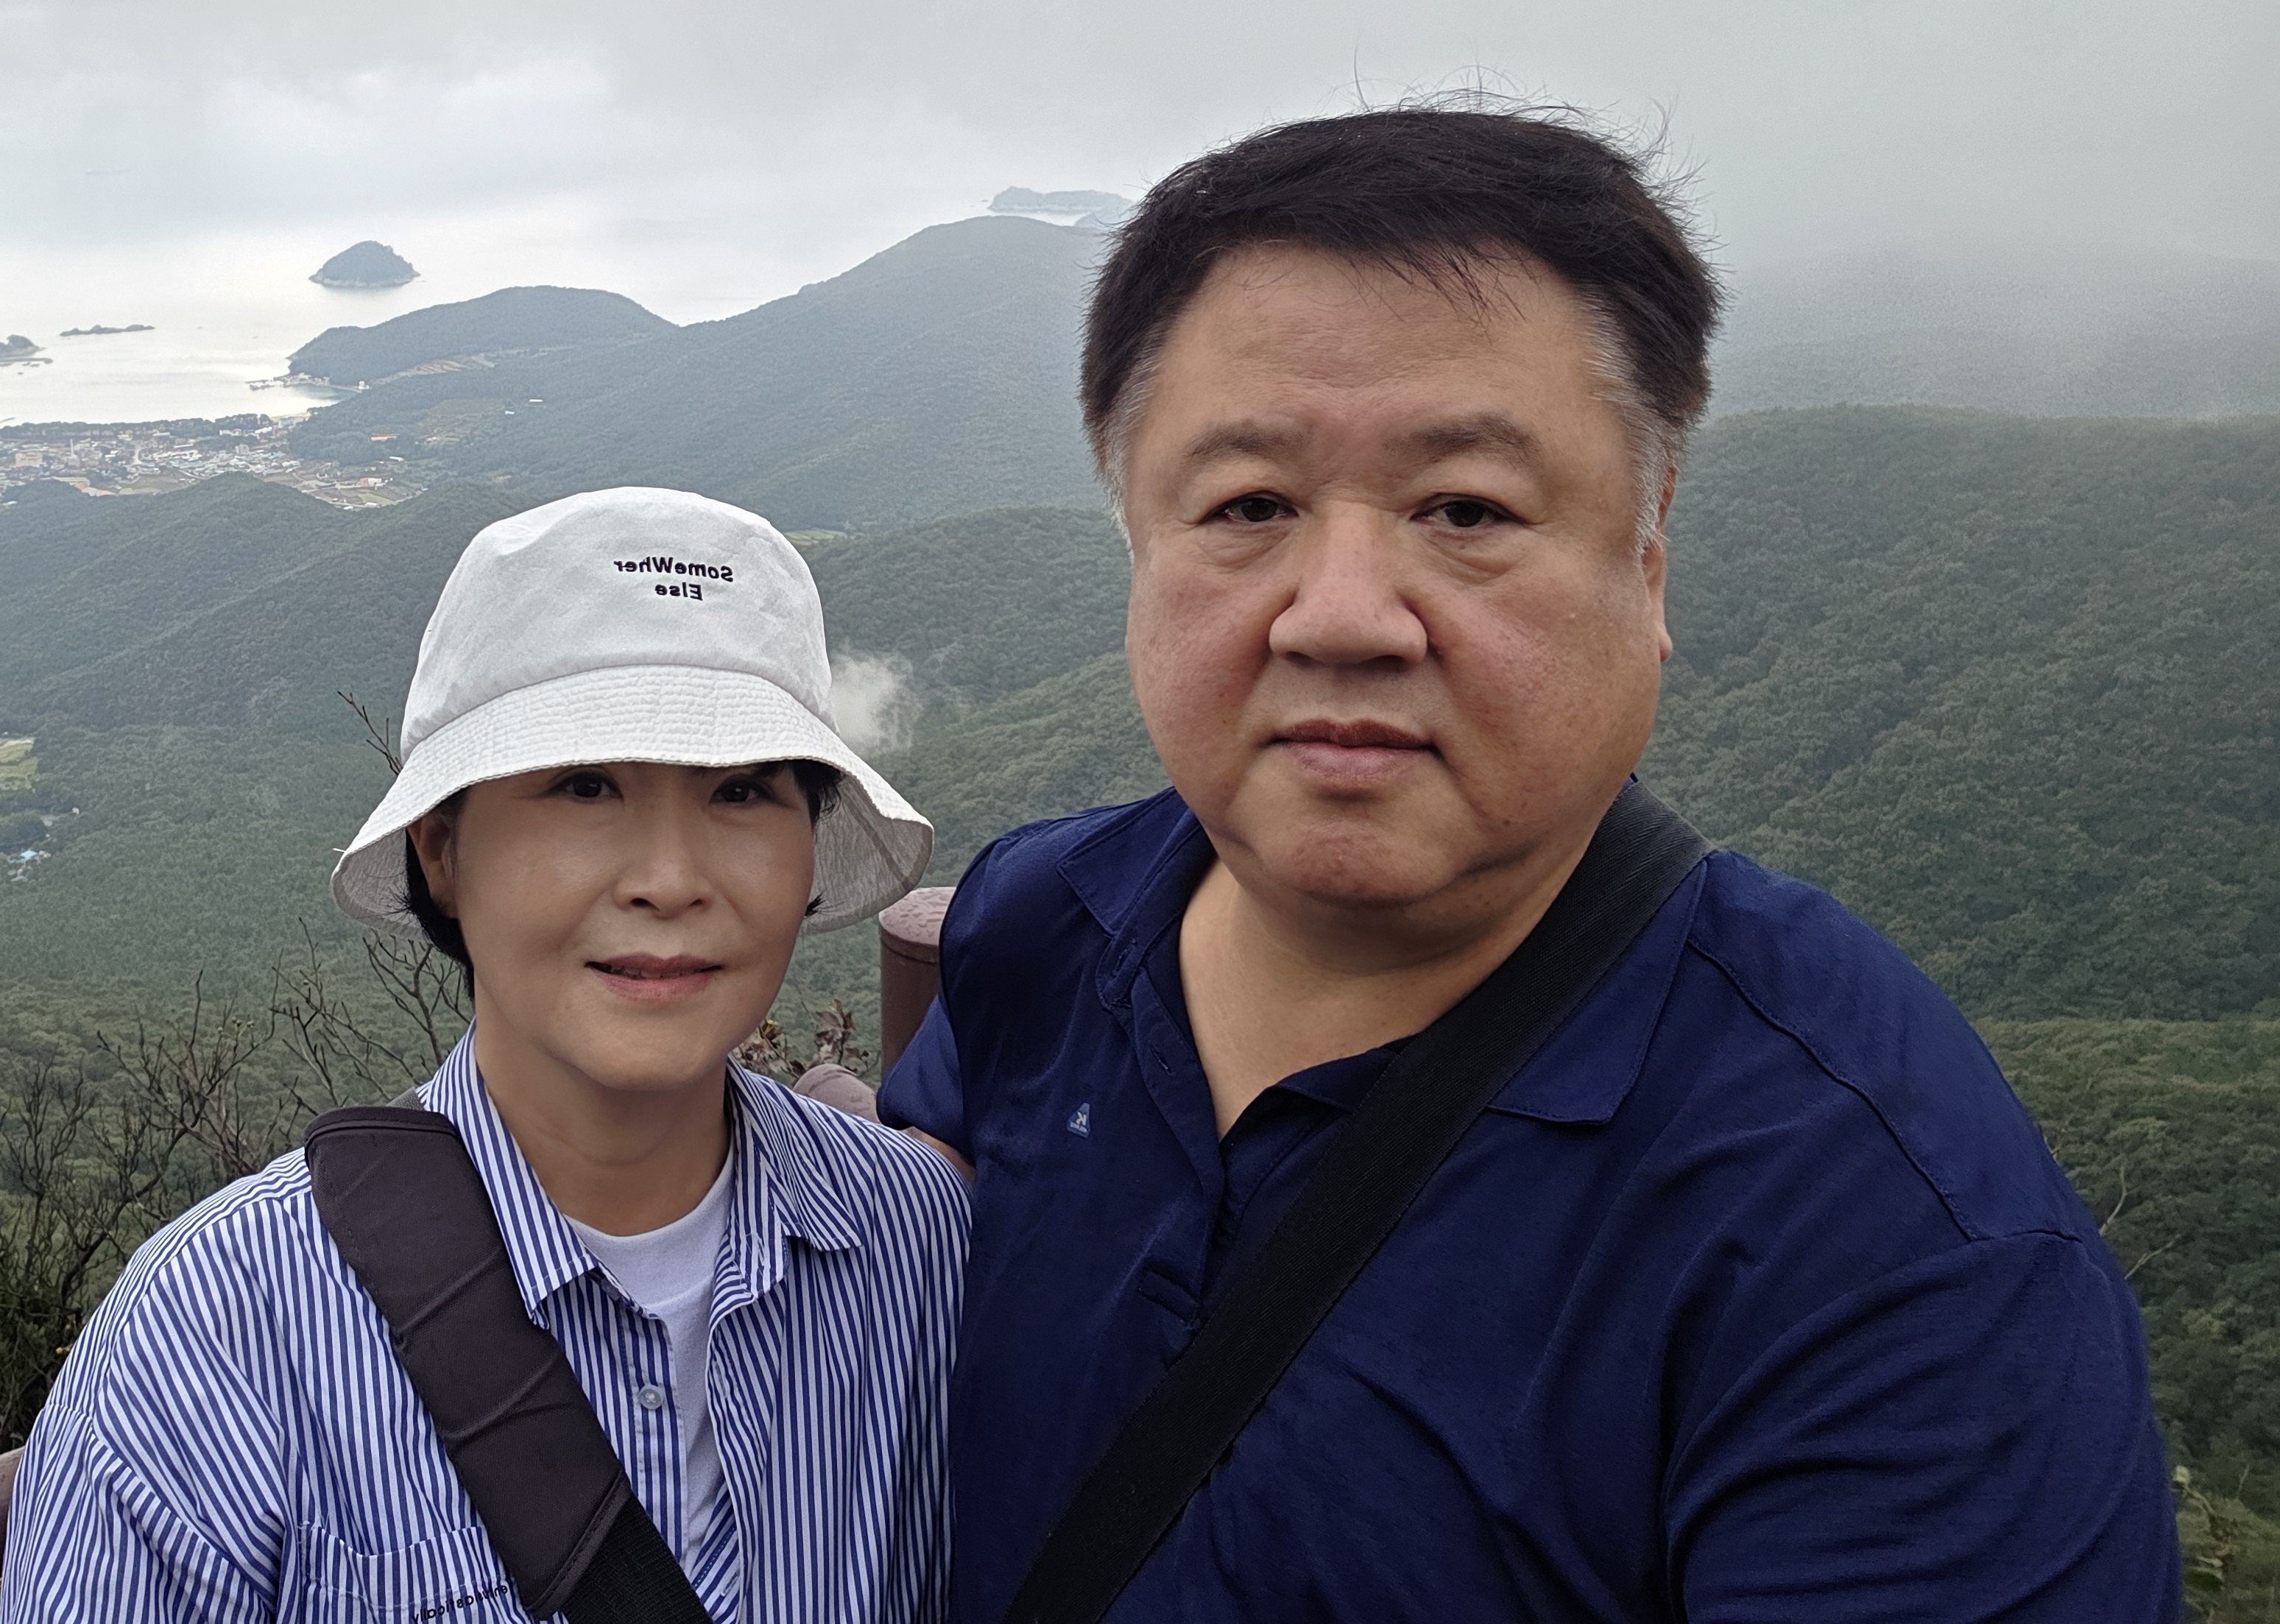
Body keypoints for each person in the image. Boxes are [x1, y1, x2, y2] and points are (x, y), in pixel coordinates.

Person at [880, 107, 2181, 1621]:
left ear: (1647, 559)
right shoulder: (1039, 927)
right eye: (1249, 507)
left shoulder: (1878, 1244)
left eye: (1465, 510)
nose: (1342, 612)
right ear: (1135, 547)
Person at [9, 486, 968, 1624]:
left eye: (743, 790)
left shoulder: (923, 1251)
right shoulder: (215, 1345)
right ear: (443, 852)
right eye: (584, 785)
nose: (669, 879)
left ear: (808, 848)